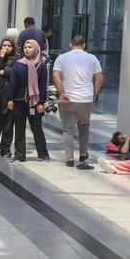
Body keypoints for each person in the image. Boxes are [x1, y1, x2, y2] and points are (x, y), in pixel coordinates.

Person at [52, 34, 104, 169]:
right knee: (84, 127)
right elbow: (99, 78)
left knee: (68, 129)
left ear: (70, 45)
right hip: (86, 99)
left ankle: (69, 158)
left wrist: (61, 92)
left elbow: (55, 75)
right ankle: (83, 153)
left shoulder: (61, 58)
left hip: (67, 98)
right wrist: (95, 94)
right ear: (84, 45)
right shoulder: (92, 58)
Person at [6, 39, 50, 163]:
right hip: (20, 101)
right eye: (25, 47)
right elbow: (13, 83)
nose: (27, 49)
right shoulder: (19, 64)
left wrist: (41, 102)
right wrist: (10, 99)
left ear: (36, 49)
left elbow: (42, 86)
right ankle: (19, 155)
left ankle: (43, 154)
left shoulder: (41, 66)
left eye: (30, 47)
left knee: (37, 129)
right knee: (19, 129)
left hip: (35, 102)